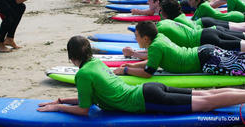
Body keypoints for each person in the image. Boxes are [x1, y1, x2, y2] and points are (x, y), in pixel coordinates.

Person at [37, 35, 245, 115]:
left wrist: (58, 106)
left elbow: (84, 110)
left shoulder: (82, 75)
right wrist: (65, 98)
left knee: (207, 103)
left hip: (148, 99)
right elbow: (90, 99)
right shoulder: (98, 64)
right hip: (150, 90)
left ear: (72, 56)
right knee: (207, 95)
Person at [113, 21, 245, 78]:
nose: (136, 39)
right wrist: (132, 64)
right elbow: (154, 61)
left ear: (146, 38)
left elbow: (148, 73)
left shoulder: (155, 47)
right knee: (239, 58)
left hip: (206, 59)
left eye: (137, 36)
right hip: (203, 52)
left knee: (241, 67)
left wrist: (126, 70)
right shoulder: (159, 37)